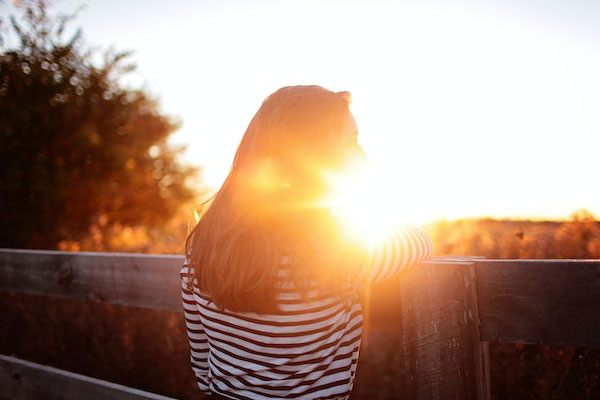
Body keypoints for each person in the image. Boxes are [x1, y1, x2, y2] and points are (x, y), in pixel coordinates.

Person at [181, 85, 433, 399]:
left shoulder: (202, 245)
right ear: (316, 153)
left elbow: (201, 358)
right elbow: (419, 241)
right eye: (352, 140)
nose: (364, 154)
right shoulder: (336, 251)